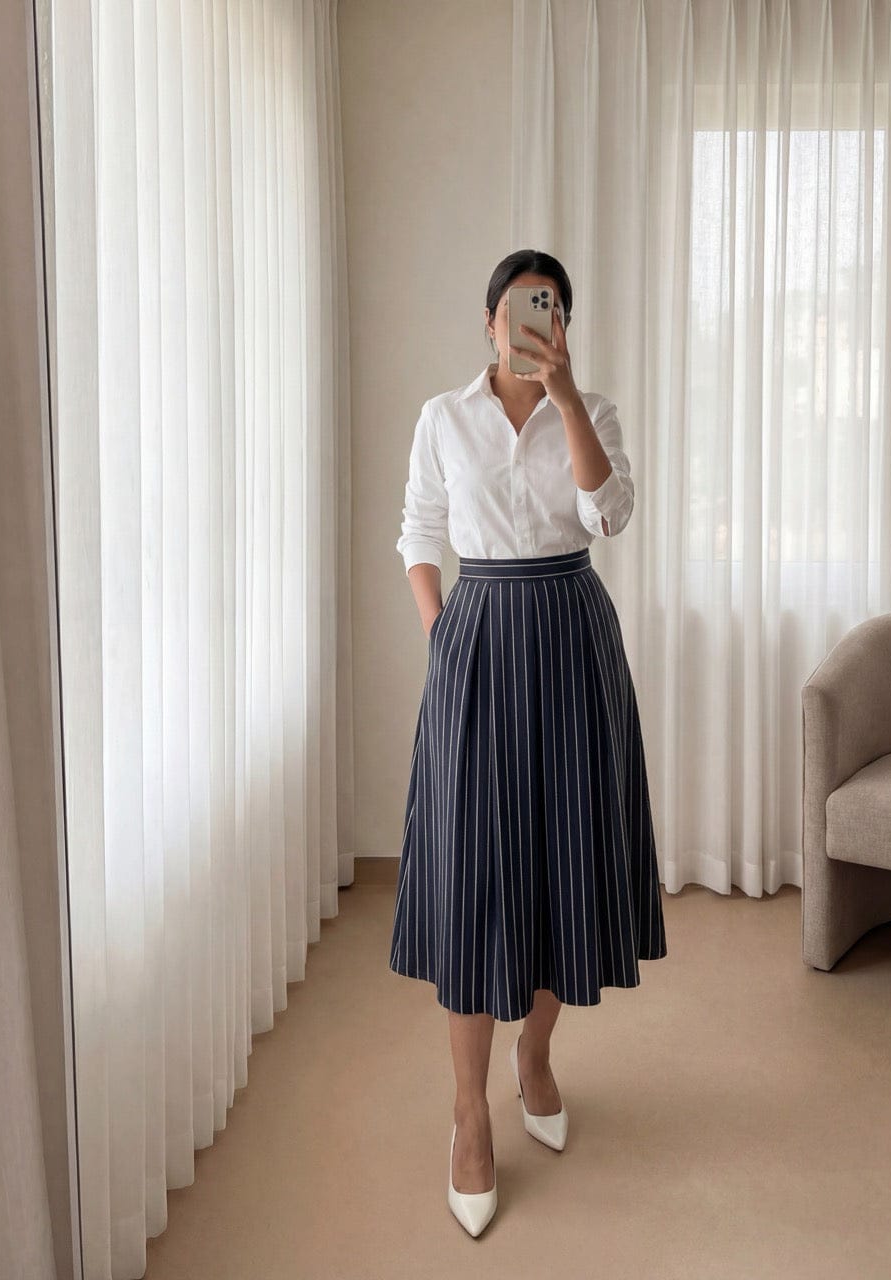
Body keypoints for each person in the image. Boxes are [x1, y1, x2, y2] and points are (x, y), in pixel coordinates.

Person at [389, 249, 667, 1237]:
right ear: (486, 321)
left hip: (570, 635)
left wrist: (566, 398)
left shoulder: (592, 408)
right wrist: (439, 633)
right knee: (474, 878)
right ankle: (469, 1113)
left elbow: (611, 511)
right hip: (476, 638)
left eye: (548, 311)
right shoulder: (442, 417)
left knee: (558, 866)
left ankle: (535, 1054)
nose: (531, 324)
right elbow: (418, 529)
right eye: (516, 310)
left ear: (564, 323)